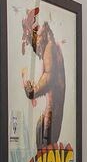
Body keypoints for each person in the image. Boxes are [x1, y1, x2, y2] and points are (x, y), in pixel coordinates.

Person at [23, 20, 66, 148]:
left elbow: (49, 77)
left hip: (51, 117)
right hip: (54, 115)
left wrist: (32, 91)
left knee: (43, 143)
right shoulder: (53, 47)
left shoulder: (49, 47)